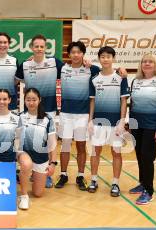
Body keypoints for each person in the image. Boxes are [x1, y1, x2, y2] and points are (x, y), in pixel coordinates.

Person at [16, 34, 64, 188]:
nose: (39, 49)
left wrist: (85, 62)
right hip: (30, 111)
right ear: (31, 48)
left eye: (41, 46)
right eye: (36, 46)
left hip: (48, 109)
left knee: (48, 143)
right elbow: (15, 81)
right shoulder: (25, 65)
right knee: (29, 142)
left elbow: (72, 68)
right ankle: (28, 170)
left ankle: (46, 172)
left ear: (46, 48)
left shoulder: (54, 62)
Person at [55, 41, 101, 191]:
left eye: (79, 52)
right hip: (66, 114)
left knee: (81, 146)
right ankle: (63, 174)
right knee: (65, 145)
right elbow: (41, 57)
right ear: (69, 54)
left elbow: (108, 71)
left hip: (83, 115)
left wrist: (121, 70)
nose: (76, 55)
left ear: (83, 54)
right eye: (73, 52)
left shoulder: (92, 69)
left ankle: (80, 175)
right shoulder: (62, 68)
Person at [129, 54, 156, 205]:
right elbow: (132, 105)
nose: (147, 64)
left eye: (150, 61)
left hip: (152, 127)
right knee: (140, 156)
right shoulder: (136, 81)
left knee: (147, 158)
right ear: (141, 65)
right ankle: (143, 183)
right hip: (137, 126)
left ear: (155, 64)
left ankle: (149, 191)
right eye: (144, 61)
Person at [87, 46, 129, 197]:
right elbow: (92, 101)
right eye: (103, 56)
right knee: (95, 152)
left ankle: (115, 183)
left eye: (108, 56)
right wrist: (90, 120)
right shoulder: (94, 79)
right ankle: (93, 180)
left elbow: (124, 101)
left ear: (113, 59)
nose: (105, 59)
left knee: (116, 153)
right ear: (99, 59)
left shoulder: (121, 78)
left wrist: (122, 121)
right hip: (98, 122)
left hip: (115, 123)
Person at [17, 88, 58, 210]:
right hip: (24, 153)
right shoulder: (20, 117)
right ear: (24, 101)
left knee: (38, 193)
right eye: (28, 100)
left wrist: (53, 163)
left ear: (39, 100)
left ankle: (34, 174)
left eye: (34, 99)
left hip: (41, 157)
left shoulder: (48, 119)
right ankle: (24, 196)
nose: (31, 102)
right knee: (26, 164)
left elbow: (52, 143)